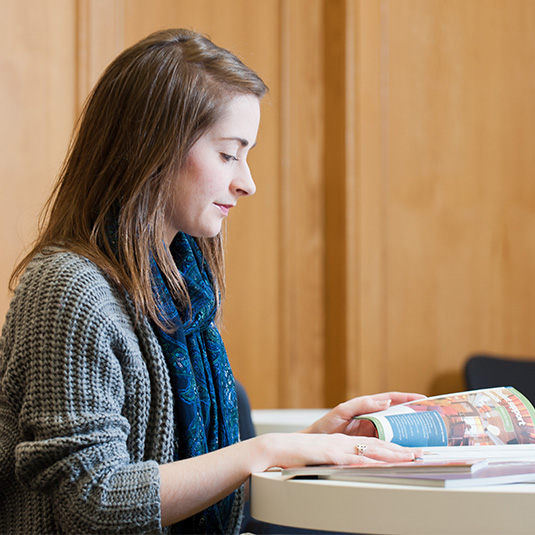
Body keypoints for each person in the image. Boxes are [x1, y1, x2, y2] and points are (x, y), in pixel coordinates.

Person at [0, 28, 424, 535]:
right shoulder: (67, 289)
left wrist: (310, 443)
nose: (247, 182)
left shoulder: (180, 289)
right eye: (229, 154)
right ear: (151, 149)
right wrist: (266, 449)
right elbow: (93, 504)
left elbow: (195, 483)